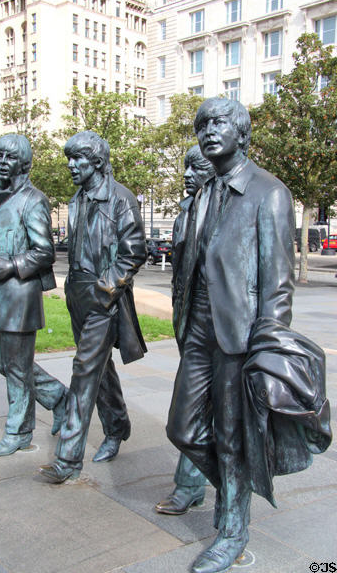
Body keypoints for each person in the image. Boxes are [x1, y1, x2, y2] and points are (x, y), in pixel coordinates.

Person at [166, 98, 296, 573]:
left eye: (219, 123)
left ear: (241, 134)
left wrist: (269, 350)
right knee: (182, 427)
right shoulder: (204, 192)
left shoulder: (269, 193)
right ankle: (230, 488)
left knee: (231, 434)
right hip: (198, 328)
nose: (208, 131)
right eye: (202, 125)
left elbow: (278, 285)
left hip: (239, 334)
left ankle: (234, 529)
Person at [39, 131, 147, 483]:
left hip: (104, 297)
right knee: (100, 370)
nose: (71, 166)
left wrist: (105, 290)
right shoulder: (77, 199)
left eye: (78, 160)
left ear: (97, 162)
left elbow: (134, 252)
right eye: (69, 159)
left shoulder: (120, 199)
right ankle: (117, 427)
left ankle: (68, 460)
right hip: (78, 296)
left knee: (84, 371)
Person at [0, 134, 67, 457]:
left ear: (24, 163)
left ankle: (19, 431)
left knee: (15, 366)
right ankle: (59, 399)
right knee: (5, 363)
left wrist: (11, 265)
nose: (2, 162)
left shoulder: (33, 200)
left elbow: (45, 252)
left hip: (17, 294)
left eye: (10, 157)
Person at [156, 145, 212, 516]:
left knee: (207, 411)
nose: (187, 175)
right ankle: (194, 483)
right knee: (189, 411)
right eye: (186, 167)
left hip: (226, 325)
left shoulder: (233, 209)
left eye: (197, 167)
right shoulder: (184, 215)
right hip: (190, 322)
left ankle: (193, 483)